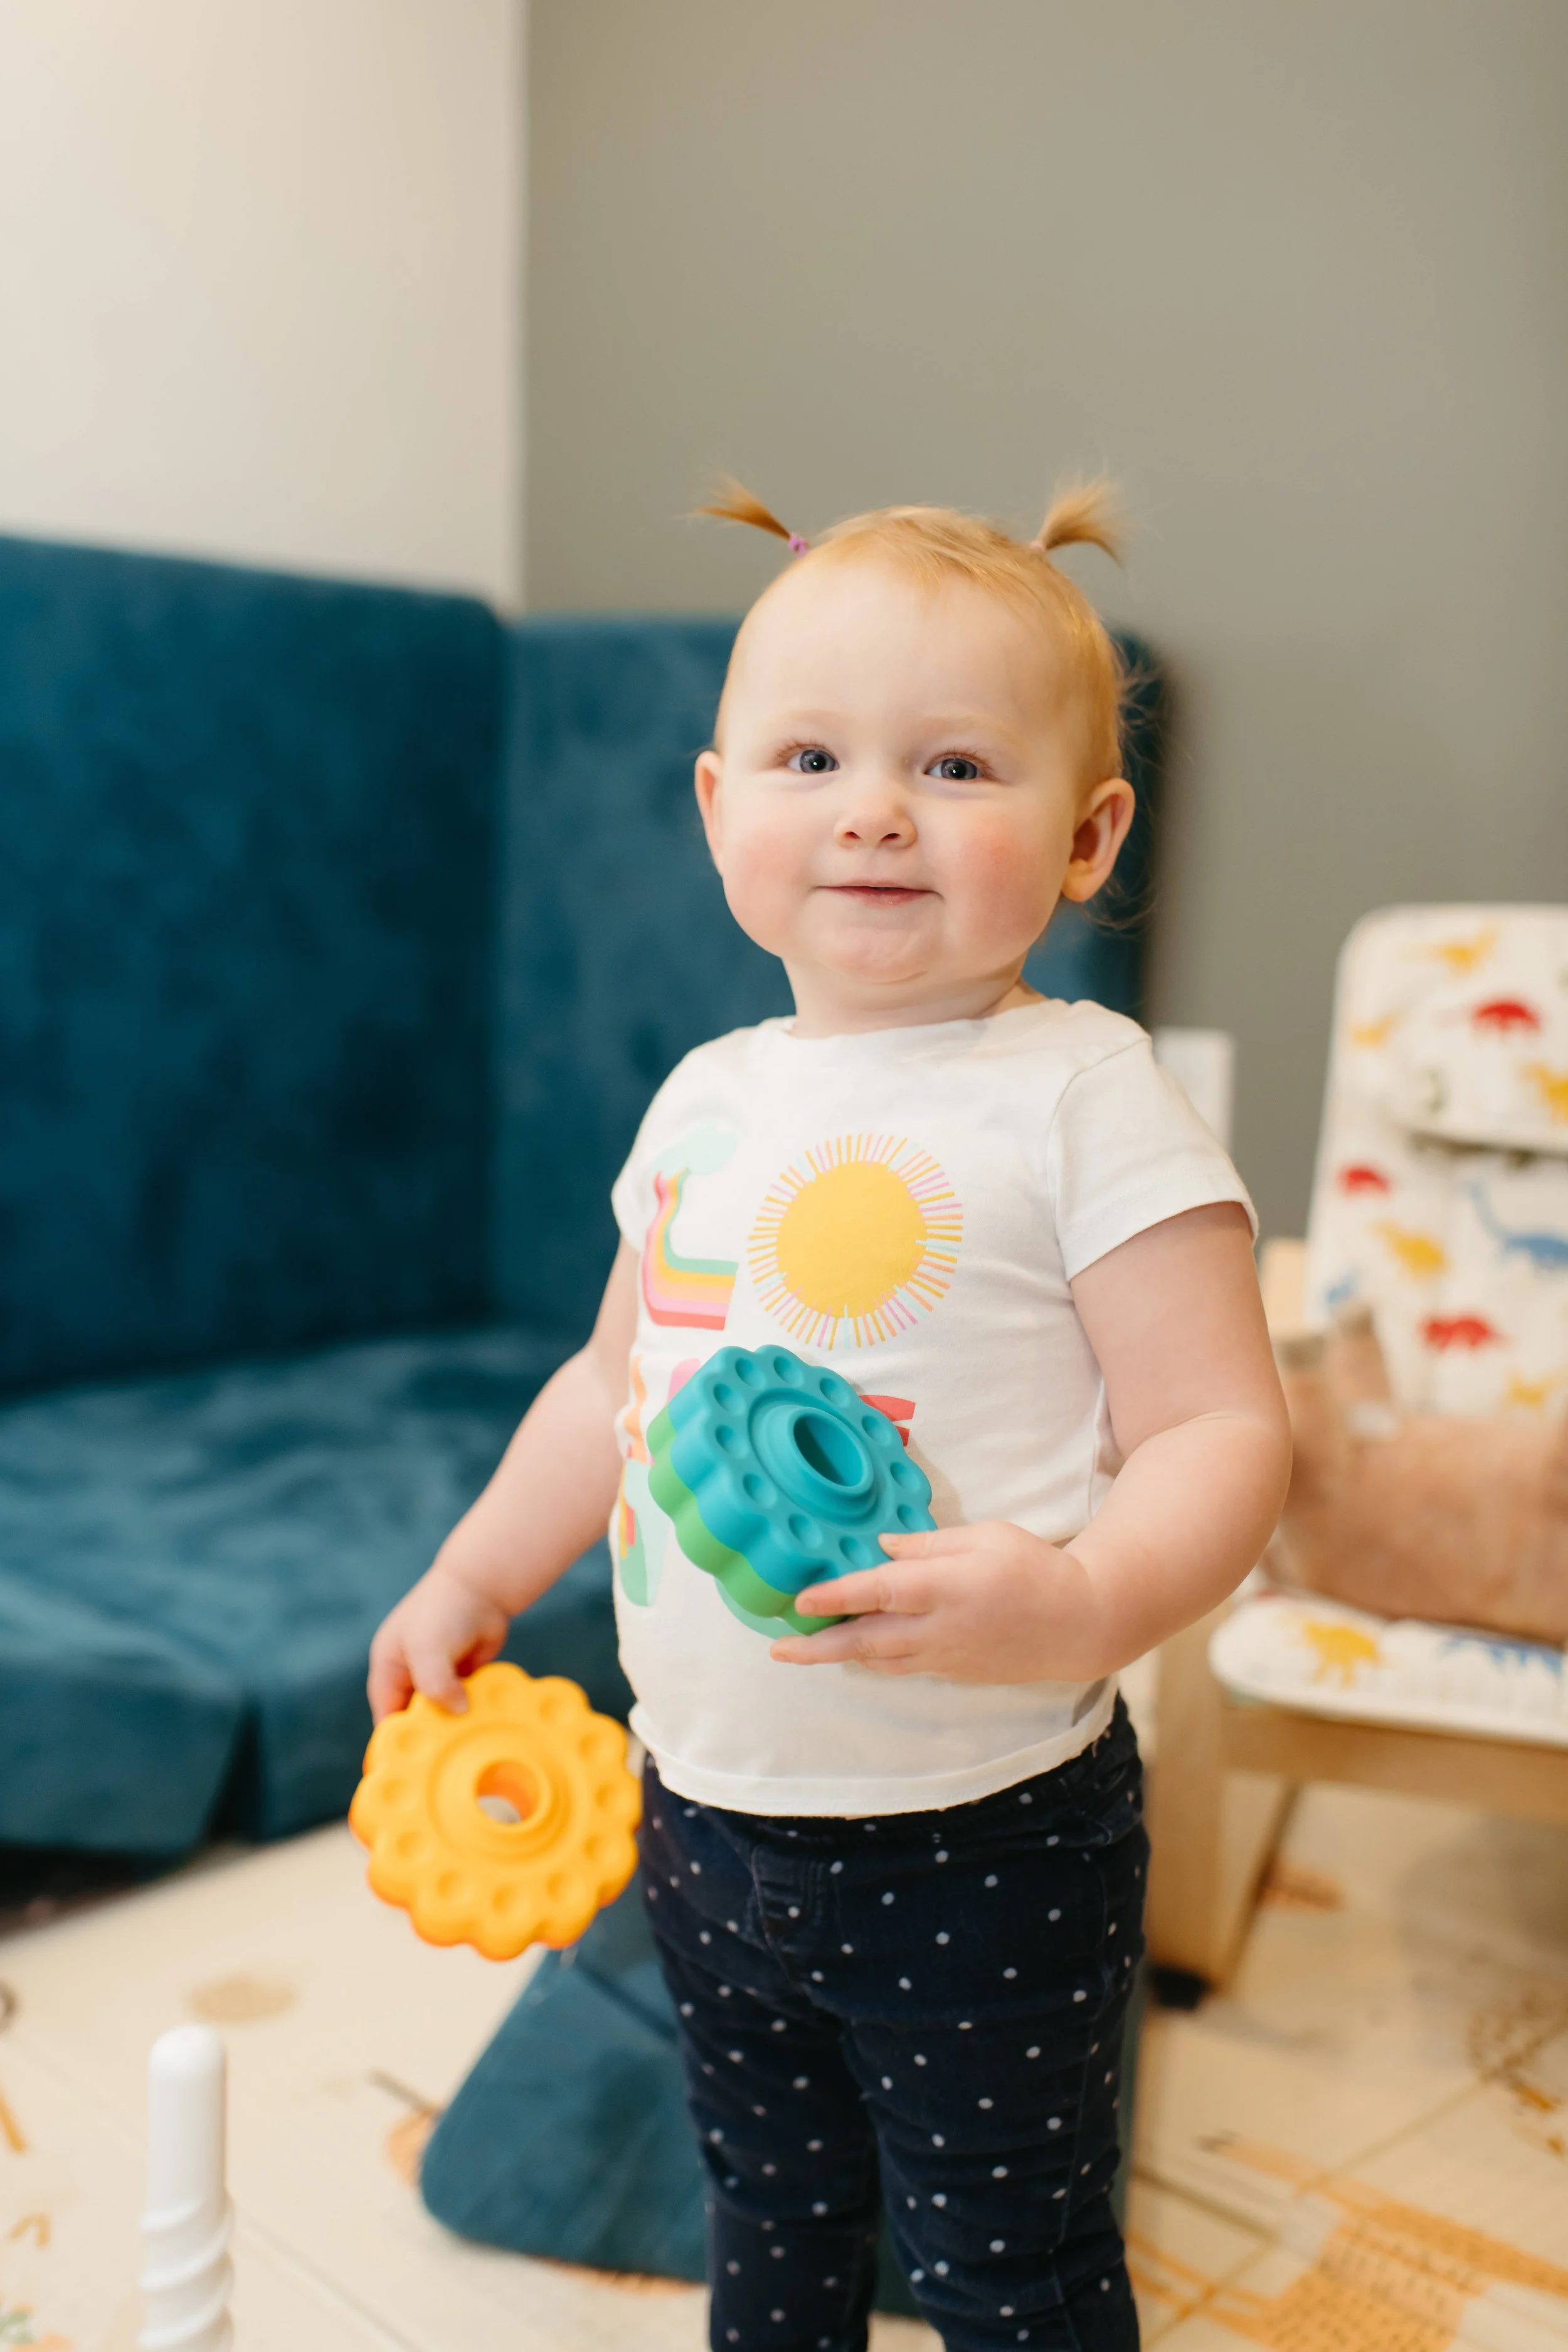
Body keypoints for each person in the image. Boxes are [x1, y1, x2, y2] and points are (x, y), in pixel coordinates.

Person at [368, 480, 1291, 2352]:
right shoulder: (704, 1097)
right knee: (769, 2207)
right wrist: (475, 1565)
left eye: (954, 765)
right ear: (721, 809)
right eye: (810, 755)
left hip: (982, 1825)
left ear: (1087, 832)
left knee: (1003, 2266)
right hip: (702, 1806)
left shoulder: (1080, 1098)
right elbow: (607, 1382)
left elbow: (1223, 1431)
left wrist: (1089, 1597)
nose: (873, 806)